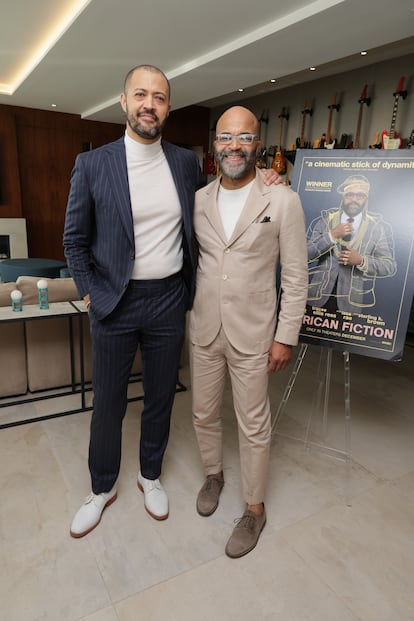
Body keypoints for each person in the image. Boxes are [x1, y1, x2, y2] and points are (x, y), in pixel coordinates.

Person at [63, 66, 280, 538]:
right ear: (123, 102)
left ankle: (149, 475)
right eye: (140, 95)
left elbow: (228, 190)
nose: (149, 104)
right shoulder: (94, 165)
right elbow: (74, 241)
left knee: (161, 398)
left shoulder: (185, 163)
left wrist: (268, 180)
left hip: (168, 301)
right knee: (109, 403)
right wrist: (90, 293)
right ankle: (101, 488)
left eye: (159, 97)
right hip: (113, 301)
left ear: (167, 108)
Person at [190, 106, 308, 558]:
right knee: (202, 413)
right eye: (225, 137)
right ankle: (213, 474)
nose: (234, 146)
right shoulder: (200, 198)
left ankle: (254, 508)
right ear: (215, 144)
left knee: (253, 424)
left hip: (255, 333)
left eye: (243, 138)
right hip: (204, 327)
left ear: (258, 144)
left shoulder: (282, 200)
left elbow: (296, 276)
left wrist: (285, 336)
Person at [307, 174, 397, 313]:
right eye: (349, 194)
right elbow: (303, 255)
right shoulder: (324, 221)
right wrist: (331, 236)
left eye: (360, 195)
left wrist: (361, 260)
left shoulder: (377, 229)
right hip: (316, 300)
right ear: (343, 196)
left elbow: (389, 266)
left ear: (366, 198)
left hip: (350, 307)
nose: (354, 199)